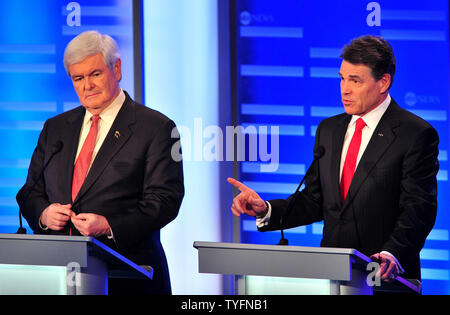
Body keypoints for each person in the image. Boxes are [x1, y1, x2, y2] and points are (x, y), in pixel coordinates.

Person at [228, 35, 439, 283]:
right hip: (331, 276)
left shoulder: (414, 134)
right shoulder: (329, 130)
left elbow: (419, 208)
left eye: (355, 80)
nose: (344, 89)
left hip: (384, 279)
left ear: (383, 82)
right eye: (342, 78)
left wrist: (392, 253)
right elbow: (315, 200)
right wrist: (267, 209)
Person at [16, 31, 184, 294]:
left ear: (116, 69)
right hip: (58, 276)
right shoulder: (55, 128)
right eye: (78, 78)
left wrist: (109, 225)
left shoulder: (157, 127)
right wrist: (45, 215)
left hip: (128, 277)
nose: (87, 86)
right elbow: (30, 193)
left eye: (95, 74)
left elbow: (165, 200)